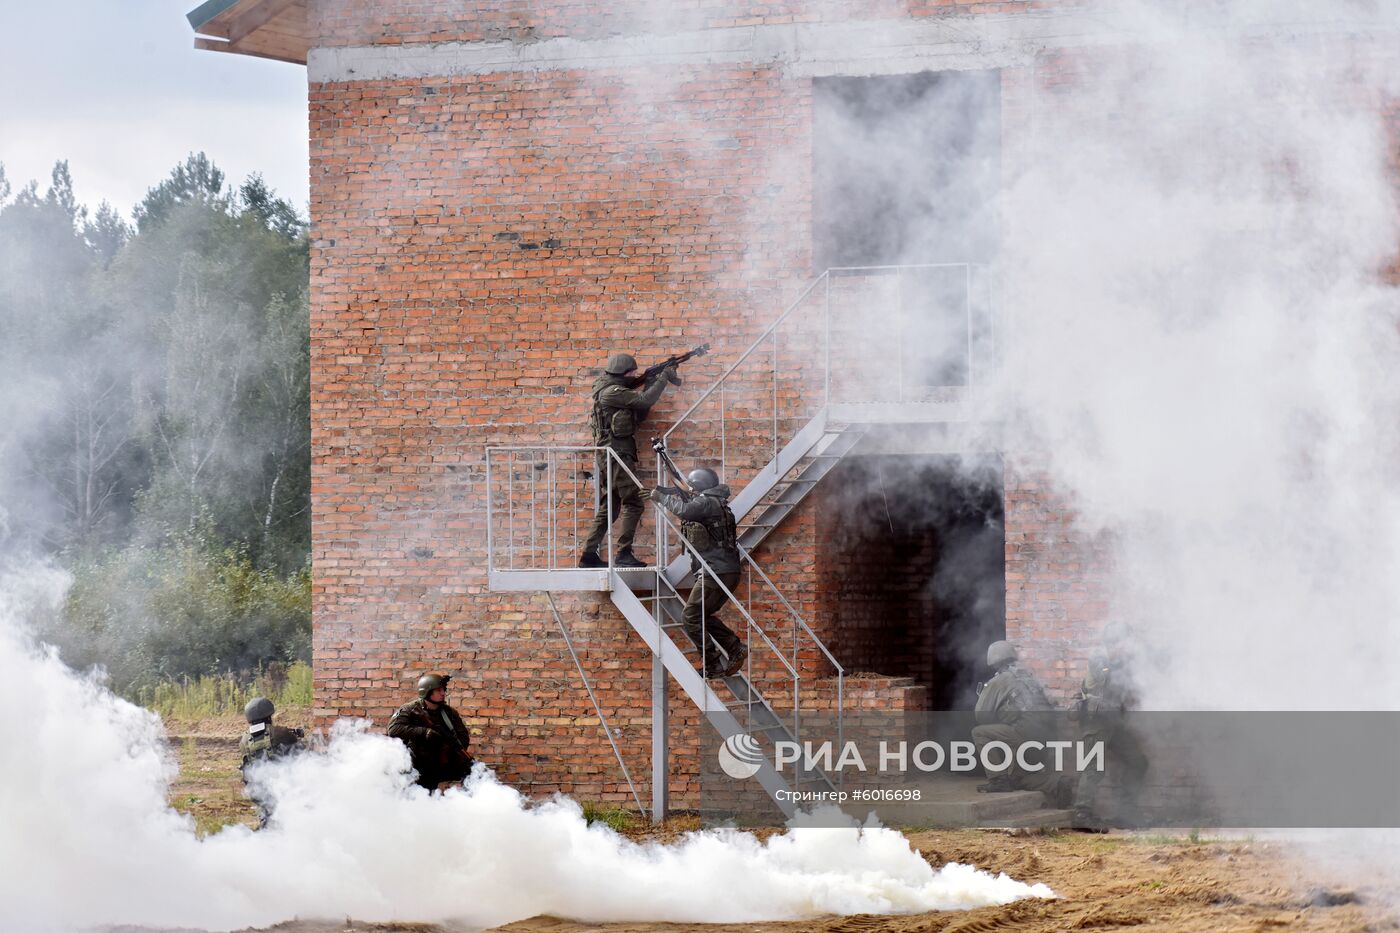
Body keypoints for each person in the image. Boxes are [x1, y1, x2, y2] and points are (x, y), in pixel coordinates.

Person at [579, 352, 677, 568]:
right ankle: (623, 554)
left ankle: (588, 556)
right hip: (616, 454)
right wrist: (662, 378)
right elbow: (644, 400)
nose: (636, 374)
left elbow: (639, 410)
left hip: (613, 454)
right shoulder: (612, 392)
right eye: (632, 372)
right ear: (623, 373)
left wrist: (650, 379)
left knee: (610, 506)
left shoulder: (611, 389)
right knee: (633, 501)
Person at [650, 468, 747, 678]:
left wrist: (661, 497)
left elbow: (685, 510)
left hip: (714, 573)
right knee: (701, 615)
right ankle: (733, 647)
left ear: (700, 487)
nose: (691, 490)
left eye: (693, 487)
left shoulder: (705, 503)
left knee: (690, 616)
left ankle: (713, 664)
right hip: (727, 571)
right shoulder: (718, 503)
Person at [1071, 622, 1149, 830]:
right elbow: (1109, 679)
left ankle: (1126, 812)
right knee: (1093, 767)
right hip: (1096, 721)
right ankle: (1081, 813)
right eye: (1125, 641)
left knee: (1138, 761)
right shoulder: (1100, 658)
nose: (1128, 645)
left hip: (1113, 721)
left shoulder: (1119, 660)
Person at [971, 641, 1065, 800]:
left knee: (979, 733)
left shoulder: (1000, 680)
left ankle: (998, 779)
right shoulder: (1028, 676)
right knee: (1017, 779)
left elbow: (981, 715)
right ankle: (1059, 784)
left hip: (1024, 735)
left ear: (993, 660)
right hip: (1047, 737)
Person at [387, 672, 475, 791]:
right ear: (427, 692)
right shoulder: (410, 709)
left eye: (443, 689)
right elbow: (393, 729)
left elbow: (463, 737)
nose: (443, 693)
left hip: (442, 762)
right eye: (438, 690)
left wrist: (447, 747)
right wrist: (424, 732)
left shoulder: (449, 713)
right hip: (417, 765)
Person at [239, 696, 304, 828]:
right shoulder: (280, 733)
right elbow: (300, 753)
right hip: (281, 786)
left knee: (267, 815)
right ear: (268, 715)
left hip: (256, 788)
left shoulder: (244, 741)